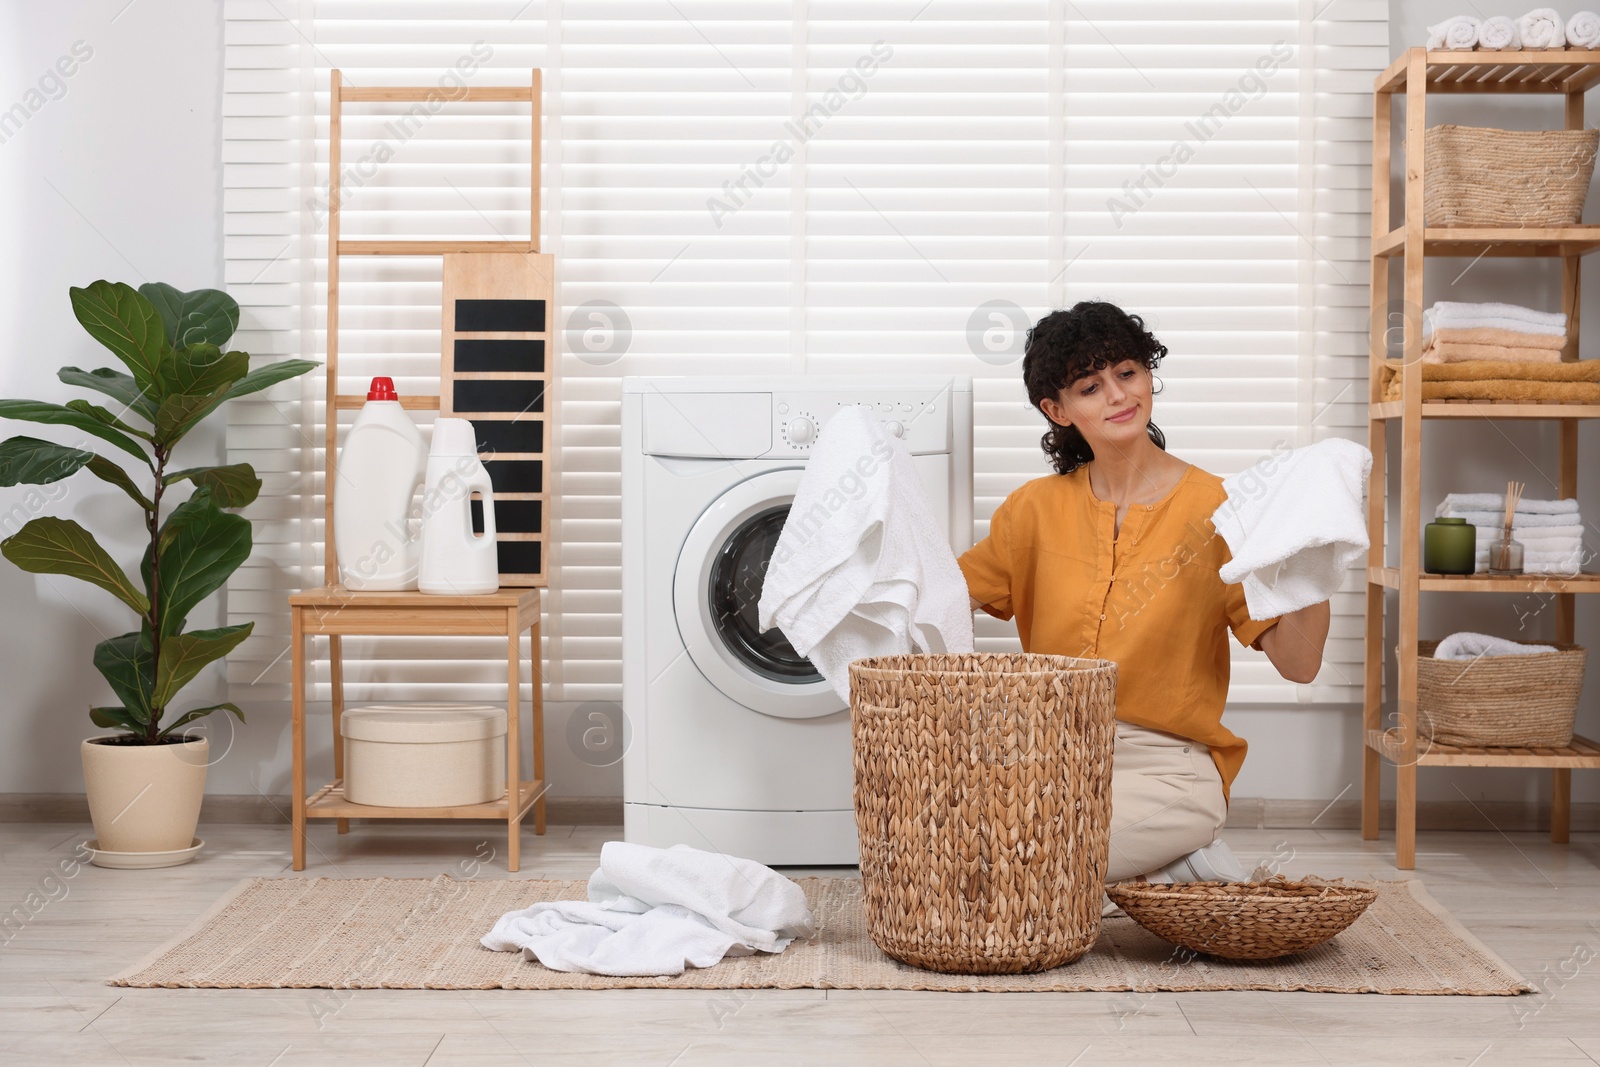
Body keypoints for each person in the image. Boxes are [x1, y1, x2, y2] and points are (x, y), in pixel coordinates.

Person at [957, 301, 1330, 884]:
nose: (1117, 395)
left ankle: (1146, 863)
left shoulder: (1222, 511)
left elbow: (1300, 664)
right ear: (1056, 410)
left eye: (1127, 373)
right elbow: (938, 603)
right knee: (959, 852)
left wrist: (1310, 550)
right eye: (1090, 385)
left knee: (1028, 868)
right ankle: (1165, 872)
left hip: (1170, 770)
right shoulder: (1031, 510)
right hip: (1049, 761)